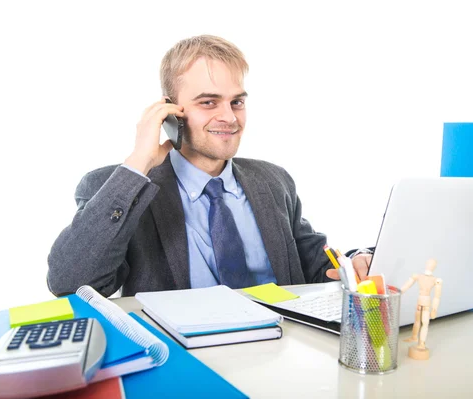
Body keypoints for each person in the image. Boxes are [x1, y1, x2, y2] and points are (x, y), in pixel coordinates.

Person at [46, 35, 371, 298]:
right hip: (186, 363)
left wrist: (355, 262)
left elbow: (313, 259)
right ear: (170, 110)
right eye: (208, 102)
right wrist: (138, 164)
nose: (229, 117)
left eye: (237, 102)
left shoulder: (273, 179)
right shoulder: (117, 187)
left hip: (283, 351)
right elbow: (69, 282)